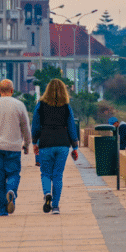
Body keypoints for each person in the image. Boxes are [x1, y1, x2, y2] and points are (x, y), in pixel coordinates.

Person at [0, 79, 32, 216]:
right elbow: (25, 127)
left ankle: (3, 210)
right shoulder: (19, 105)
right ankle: (12, 191)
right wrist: (26, 145)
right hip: (14, 147)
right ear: (12, 90)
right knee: (14, 174)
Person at [31, 79, 79, 214]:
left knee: (45, 173)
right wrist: (75, 146)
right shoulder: (66, 106)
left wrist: (35, 142)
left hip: (46, 142)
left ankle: (47, 194)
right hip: (63, 143)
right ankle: (56, 206)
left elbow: (35, 124)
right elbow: (71, 126)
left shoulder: (41, 105)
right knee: (58, 175)